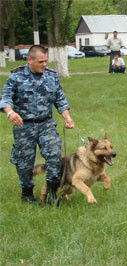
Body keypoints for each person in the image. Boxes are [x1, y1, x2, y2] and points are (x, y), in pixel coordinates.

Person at [0, 45, 75, 205]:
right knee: (24, 161)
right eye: (41, 61)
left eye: (46, 61)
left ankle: (50, 193)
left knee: (54, 156)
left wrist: (67, 117)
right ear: (29, 60)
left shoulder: (51, 77)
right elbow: (5, 98)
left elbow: (60, 99)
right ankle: (27, 194)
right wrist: (10, 113)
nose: (44, 64)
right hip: (24, 127)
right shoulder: (16, 77)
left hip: (46, 124)